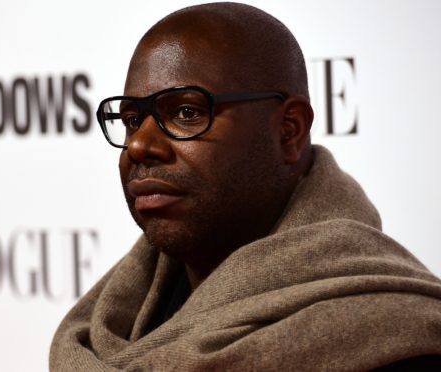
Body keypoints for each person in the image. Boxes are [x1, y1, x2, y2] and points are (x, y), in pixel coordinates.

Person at [50, 3, 441, 371]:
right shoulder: (108, 327)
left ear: (289, 131)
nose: (139, 145)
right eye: (133, 120)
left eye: (187, 112)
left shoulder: (397, 337)